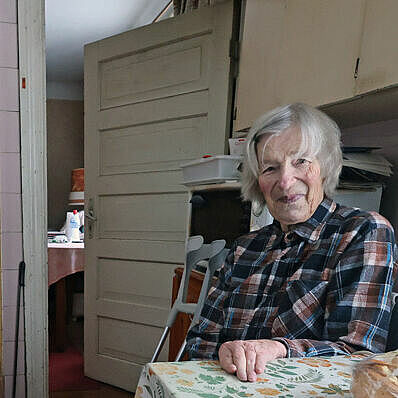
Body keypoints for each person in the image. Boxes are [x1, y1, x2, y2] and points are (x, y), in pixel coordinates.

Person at [185, 103, 398, 382]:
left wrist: (279, 348)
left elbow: (359, 357)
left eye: (300, 161)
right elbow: (198, 343)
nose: (285, 181)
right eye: (270, 168)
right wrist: (223, 352)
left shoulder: (362, 233)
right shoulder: (243, 249)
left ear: (325, 167)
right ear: (257, 180)